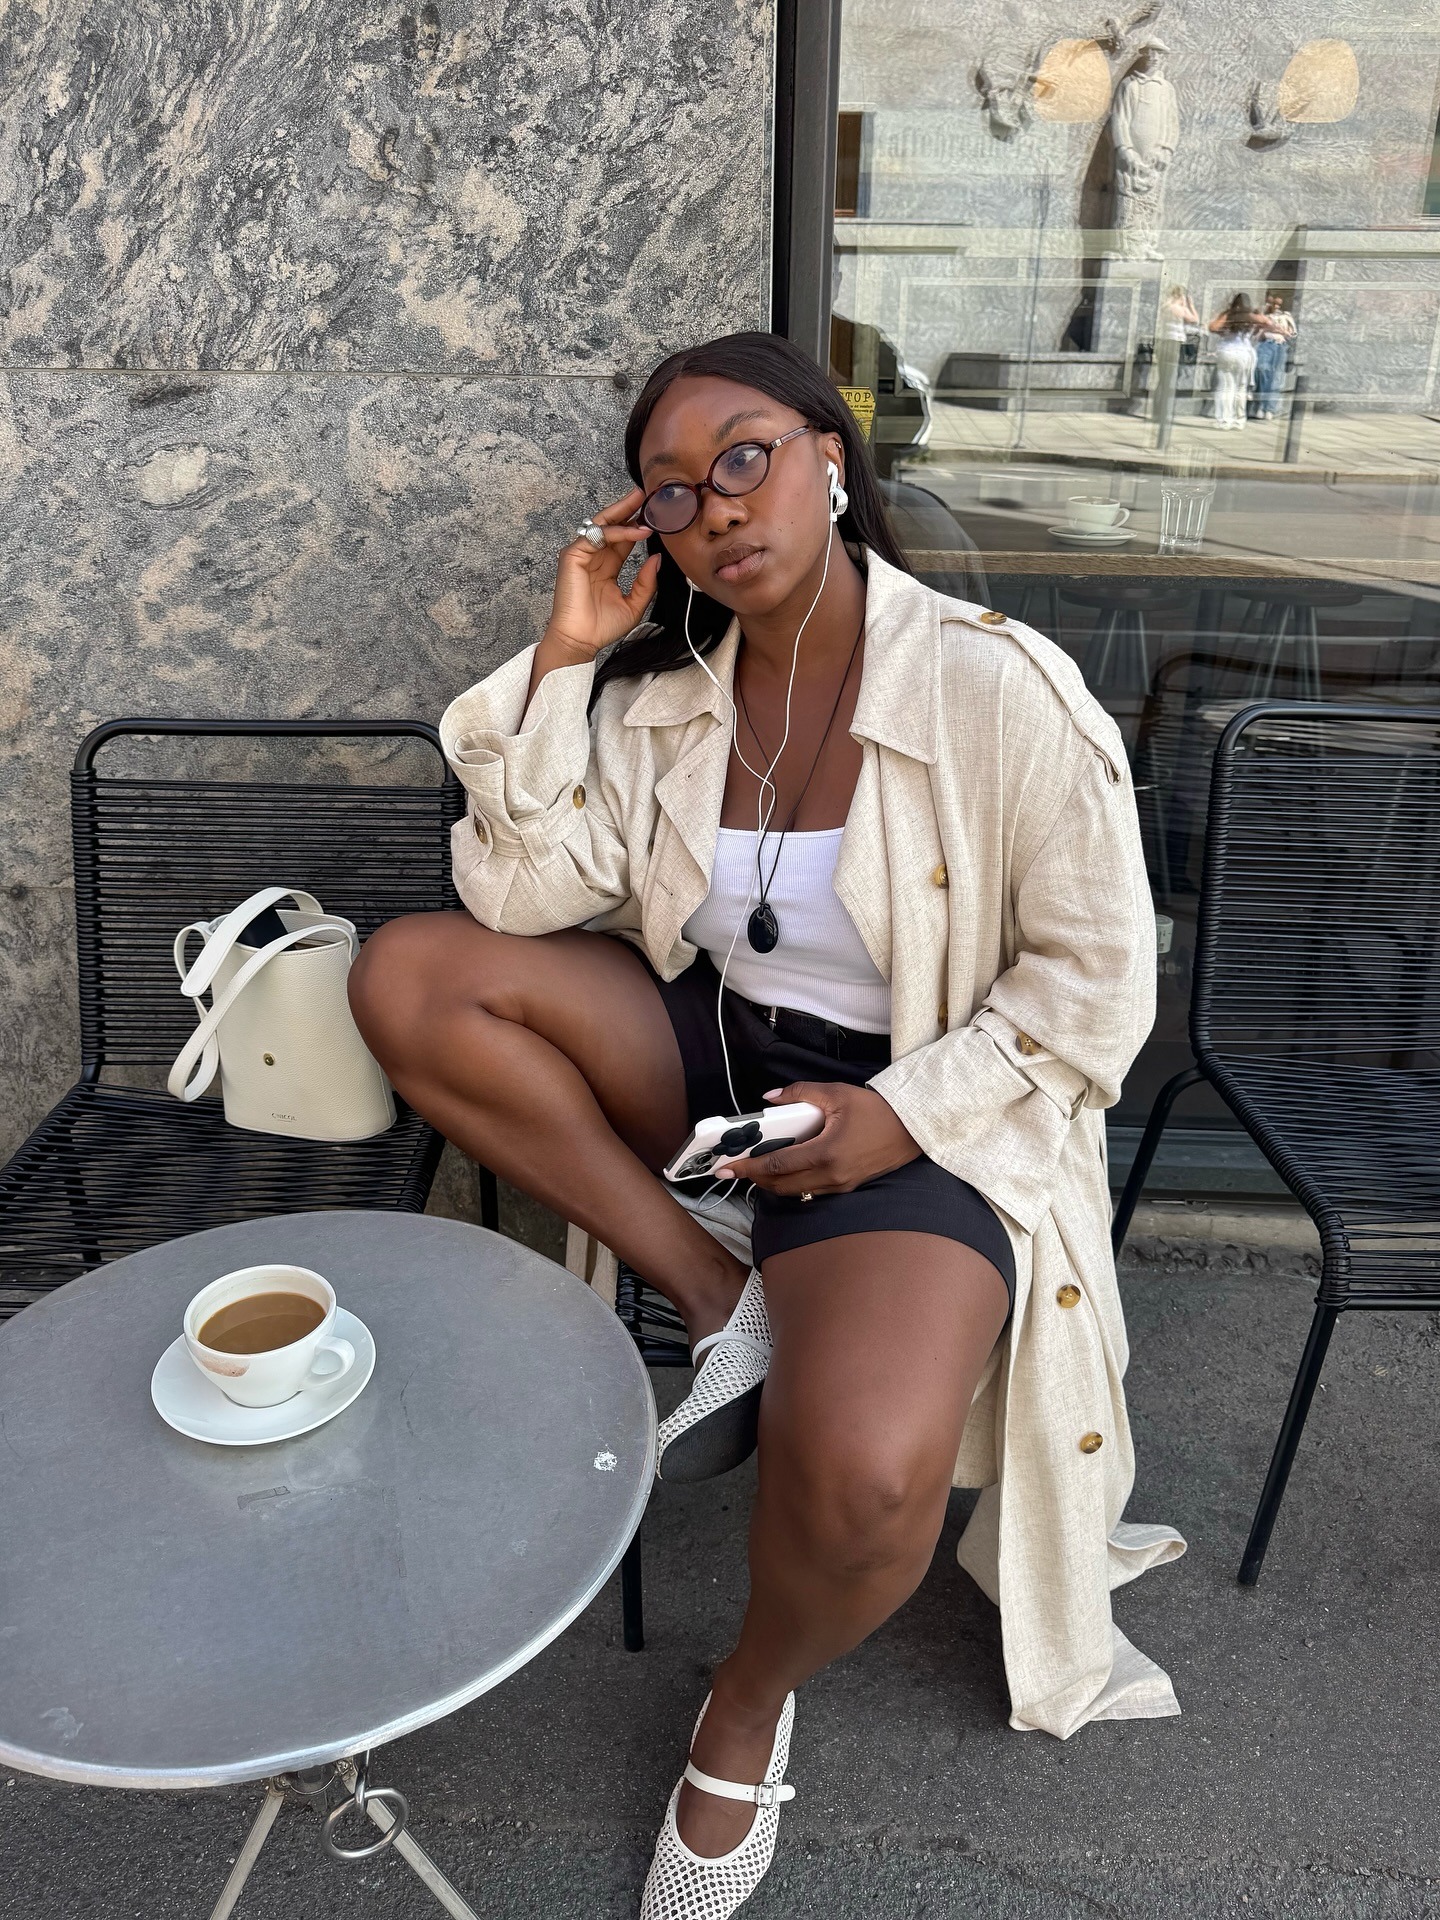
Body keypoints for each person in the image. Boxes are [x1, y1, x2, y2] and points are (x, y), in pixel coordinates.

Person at [347, 332, 1184, 1919]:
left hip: (916, 1109)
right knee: (408, 976)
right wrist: (565, 656)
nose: (717, 506)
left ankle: (745, 1702)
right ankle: (718, 1290)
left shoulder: (995, 687)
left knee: (865, 1483)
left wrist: (900, 1114)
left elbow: (1097, 988)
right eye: (672, 490)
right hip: (719, 1065)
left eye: (746, 456)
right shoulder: (671, 703)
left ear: (831, 461)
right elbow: (516, 896)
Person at [1154, 284, 1198, 444]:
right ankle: (1164, 413)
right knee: (1171, 379)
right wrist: (1190, 305)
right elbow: (1195, 319)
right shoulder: (1178, 308)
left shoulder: (1165, 306)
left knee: (1163, 378)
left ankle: (1158, 410)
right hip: (1174, 344)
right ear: (1180, 296)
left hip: (1164, 343)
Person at [1208, 293, 1257, 430]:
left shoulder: (1229, 314)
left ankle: (1225, 420)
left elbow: (1213, 327)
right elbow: (1267, 322)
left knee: (1226, 387)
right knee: (1241, 388)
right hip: (1244, 354)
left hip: (1227, 352)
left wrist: (1222, 330)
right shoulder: (1251, 316)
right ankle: (1239, 421)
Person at [1251, 291, 1296, 420]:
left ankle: (1269, 408)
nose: (1276, 307)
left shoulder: (1286, 317)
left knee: (1276, 376)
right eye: (1273, 303)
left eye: (1278, 304)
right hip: (1265, 344)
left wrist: (1280, 330)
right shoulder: (1264, 315)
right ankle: (1260, 405)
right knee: (1262, 372)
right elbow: (1255, 333)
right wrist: (1265, 329)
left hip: (1280, 345)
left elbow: (1292, 334)